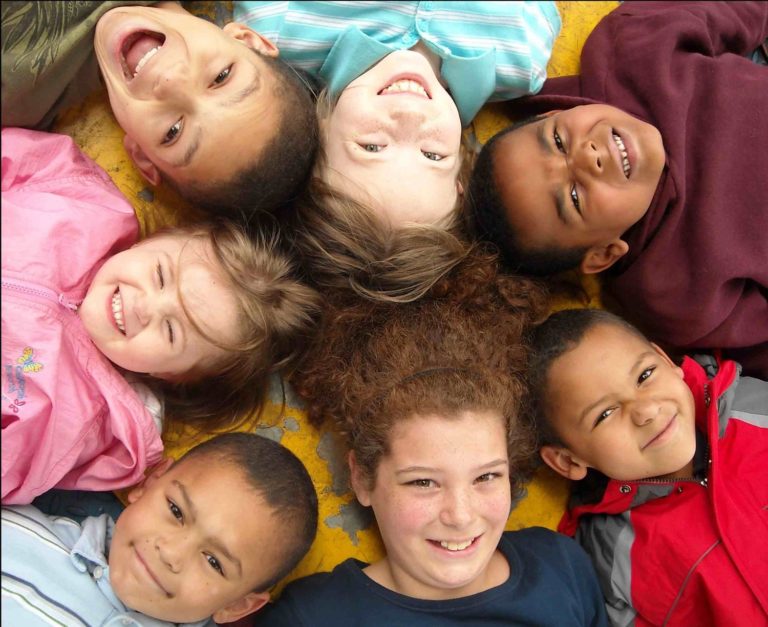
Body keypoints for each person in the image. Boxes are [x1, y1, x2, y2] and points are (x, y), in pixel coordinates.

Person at [249, 250, 607, 626]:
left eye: (487, 477)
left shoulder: (560, 566)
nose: (461, 515)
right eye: (423, 482)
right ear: (363, 478)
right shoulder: (313, 617)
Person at [1, 127, 320, 504]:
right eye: (160, 275)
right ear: (155, 240)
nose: (144, 306)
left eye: (171, 331)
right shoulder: (86, 203)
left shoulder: (77, 422)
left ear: (171, 375)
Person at [466, 1, 768, 378]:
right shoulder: (674, 295)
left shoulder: (631, 49)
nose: (587, 157)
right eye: (574, 197)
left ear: (553, 114)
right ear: (604, 253)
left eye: (559, 141)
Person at [527, 308, 768, 626]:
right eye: (605, 413)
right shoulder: (611, 556)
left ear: (666, 361)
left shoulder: (754, 408)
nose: (647, 411)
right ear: (568, 460)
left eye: (644, 376)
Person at [0, 1, 318, 218]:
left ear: (140, 155)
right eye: (221, 77)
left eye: (173, 132)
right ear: (247, 40)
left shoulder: (18, 98)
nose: (170, 81)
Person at [1, 432, 319, 626]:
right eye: (176, 510)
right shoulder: (16, 532)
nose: (170, 553)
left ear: (237, 606)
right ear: (150, 482)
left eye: (214, 562)